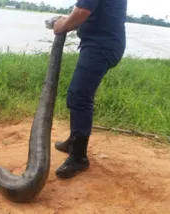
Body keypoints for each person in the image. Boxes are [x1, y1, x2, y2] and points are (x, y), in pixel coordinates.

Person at [52, 0, 127, 179]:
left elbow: (82, 12)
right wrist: (68, 20)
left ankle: (79, 157)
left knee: (79, 95)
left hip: (101, 45)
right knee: (78, 93)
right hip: (101, 43)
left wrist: (63, 25)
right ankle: (73, 142)